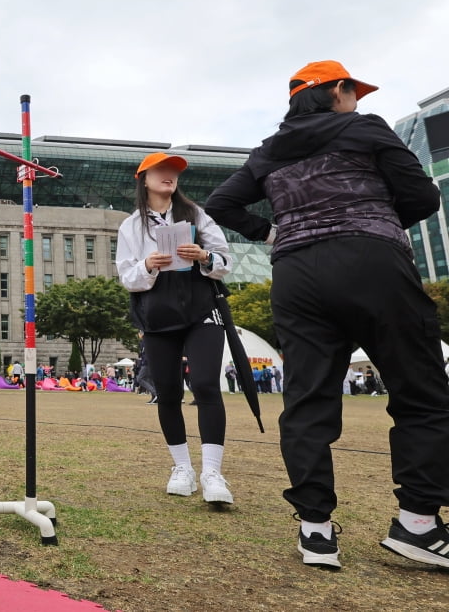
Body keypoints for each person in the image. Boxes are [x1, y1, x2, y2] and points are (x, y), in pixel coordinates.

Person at [206, 60, 449, 569]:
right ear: (336, 91)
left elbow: (222, 203)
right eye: (351, 91)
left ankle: (316, 531)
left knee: (308, 398)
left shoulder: (267, 152)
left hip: (297, 275)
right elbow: (424, 196)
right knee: (420, 391)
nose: (356, 99)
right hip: (371, 262)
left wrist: (272, 232)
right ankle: (418, 523)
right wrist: (372, 218)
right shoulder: (364, 127)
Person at [116, 151, 235, 507]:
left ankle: (212, 472)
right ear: (144, 179)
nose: (169, 176)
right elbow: (126, 276)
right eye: (161, 171)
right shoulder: (132, 226)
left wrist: (204, 257)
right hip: (158, 313)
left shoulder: (196, 215)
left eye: (174, 171)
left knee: (204, 384)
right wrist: (148, 265)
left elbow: (225, 260)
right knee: (167, 391)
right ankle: (181, 467)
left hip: (200, 307)